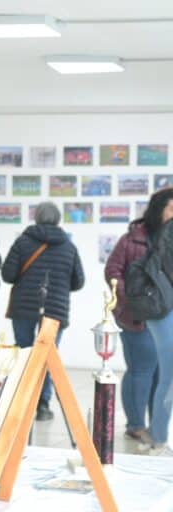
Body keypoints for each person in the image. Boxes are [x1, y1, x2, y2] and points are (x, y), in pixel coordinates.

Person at [1, 202, 84, 421]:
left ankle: (22, 401)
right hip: (55, 309)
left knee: (25, 354)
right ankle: (43, 405)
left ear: (36, 217)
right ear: (57, 219)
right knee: (47, 357)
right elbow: (78, 281)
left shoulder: (23, 241)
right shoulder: (68, 246)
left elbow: (8, 274)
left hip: (23, 308)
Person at [105, 213, 159, 449]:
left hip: (164, 317)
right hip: (136, 316)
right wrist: (132, 300)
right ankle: (136, 425)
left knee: (158, 372)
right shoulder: (131, 240)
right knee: (141, 369)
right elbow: (113, 270)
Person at [135, 187, 173, 455]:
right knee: (169, 373)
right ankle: (158, 436)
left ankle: (157, 432)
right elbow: (118, 269)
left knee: (168, 375)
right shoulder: (140, 237)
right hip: (159, 310)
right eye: (171, 208)